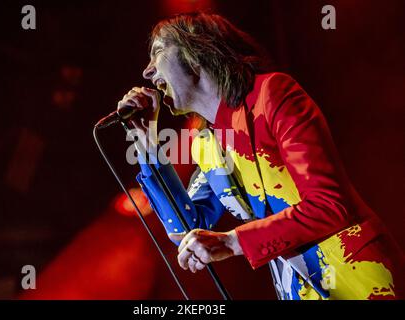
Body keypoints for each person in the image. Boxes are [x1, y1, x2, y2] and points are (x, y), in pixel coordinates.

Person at [116, 12, 404, 300]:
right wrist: (146, 142)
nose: (147, 72)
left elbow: (330, 204)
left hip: (362, 280)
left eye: (158, 52)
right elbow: (187, 228)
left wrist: (233, 242)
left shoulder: (272, 94)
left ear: (197, 53)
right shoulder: (204, 144)